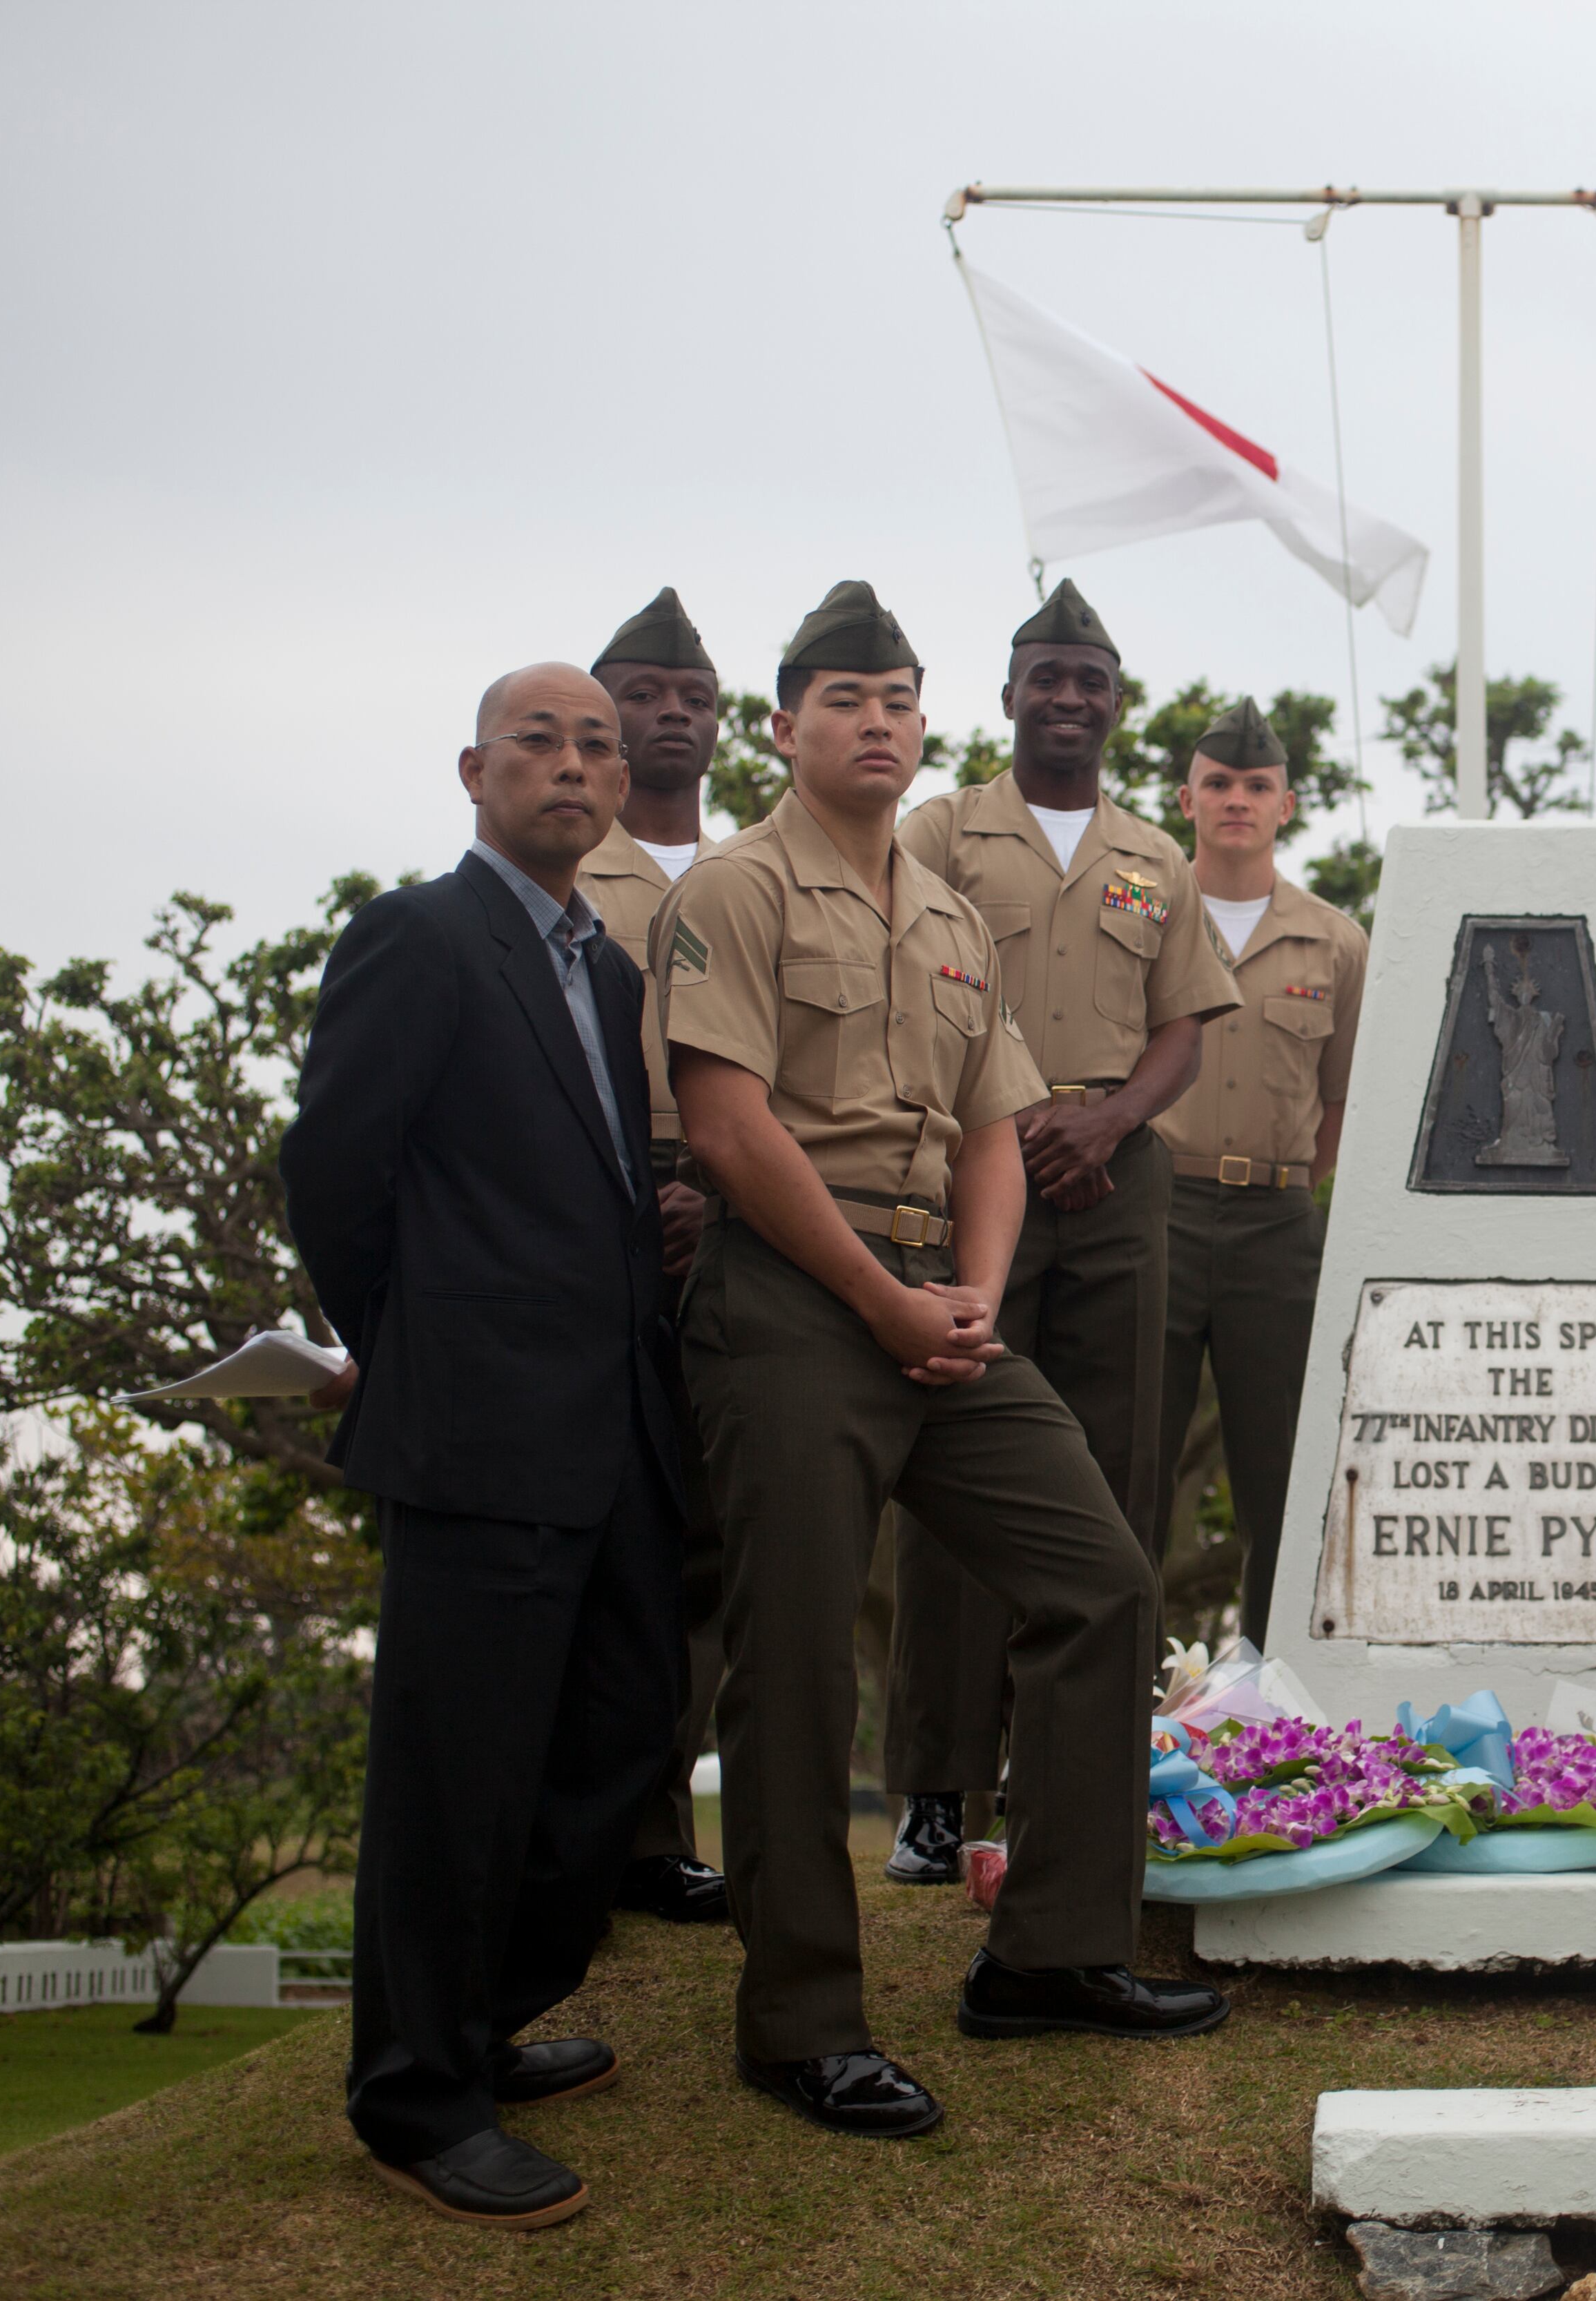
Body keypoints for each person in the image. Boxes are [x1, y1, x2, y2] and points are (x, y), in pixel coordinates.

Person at [659, 581, 1220, 2143]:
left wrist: (968, 1296)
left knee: (1102, 1579)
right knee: (794, 1655)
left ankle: (1052, 1949)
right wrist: (882, 1301)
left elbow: (993, 1122)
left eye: (900, 699)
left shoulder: (950, 914)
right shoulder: (738, 887)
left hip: (931, 1293)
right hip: (791, 1296)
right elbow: (726, 1125)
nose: (879, 722)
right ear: (784, 727)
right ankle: (799, 2021)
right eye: (846, 699)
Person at [282, 662, 686, 2228]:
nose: (575, 767)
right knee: (455, 1774)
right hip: (475, 1427)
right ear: (475, 769)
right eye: (541, 742)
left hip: (615, 1428)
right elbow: (334, 1166)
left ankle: (485, 2015)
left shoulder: (617, 974)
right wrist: (409, 1334)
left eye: (597, 744)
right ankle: (414, 2093)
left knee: (616, 1728)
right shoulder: (417, 934)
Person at [879, 578, 1237, 1885]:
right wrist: (1024, 1122)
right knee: (953, 1470)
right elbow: (899, 980)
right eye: (1049, 675)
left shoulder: (1157, 855)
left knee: (1114, 1469)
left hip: (1116, 1172)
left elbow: (1187, 1023)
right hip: (978, 1164)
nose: (1070, 698)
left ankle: (1077, 1776)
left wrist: (1110, 1126)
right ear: (1012, 693)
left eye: (1092, 678)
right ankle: (937, 1787)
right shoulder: (941, 833)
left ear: (1116, 702)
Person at [1142, 696, 1367, 1647]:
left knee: (1282, 1473)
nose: (1238, 799)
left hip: (1276, 1225)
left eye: (1258, 786)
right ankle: (1122, 1695)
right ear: (1186, 797)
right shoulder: (1141, 909)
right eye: (1221, 783)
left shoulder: (1337, 941)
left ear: (1287, 805)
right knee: (1132, 1465)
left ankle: (1281, 1706)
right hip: (1151, 1209)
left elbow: (1342, 1103)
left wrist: (1289, 1187)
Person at [574, 586, 730, 1928]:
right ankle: (591, 1824)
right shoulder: (569, 872)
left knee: (710, 1547)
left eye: (691, 697)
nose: (669, 713)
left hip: (741, 1216)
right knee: (601, 1529)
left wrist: (723, 1200)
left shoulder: (749, 878)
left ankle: (658, 1825)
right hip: (593, 1225)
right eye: (644, 693)